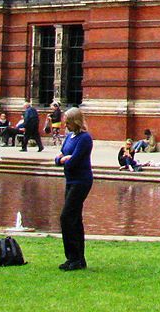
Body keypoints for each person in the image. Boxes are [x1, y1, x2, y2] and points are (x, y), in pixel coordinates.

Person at [56, 107, 93, 271]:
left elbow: (74, 160)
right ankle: (77, 259)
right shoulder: (69, 137)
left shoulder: (85, 138)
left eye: (68, 122)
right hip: (70, 180)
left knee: (67, 217)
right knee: (75, 219)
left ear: (75, 121)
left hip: (81, 181)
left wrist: (65, 159)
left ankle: (74, 257)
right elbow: (59, 157)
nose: (66, 125)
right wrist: (63, 159)